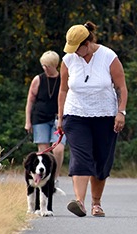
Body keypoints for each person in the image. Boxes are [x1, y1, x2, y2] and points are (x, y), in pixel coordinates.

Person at [57, 21, 128, 217]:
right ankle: (79, 202)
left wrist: (121, 112)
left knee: (101, 160)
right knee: (81, 157)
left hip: (105, 116)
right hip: (75, 115)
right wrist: (60, 117)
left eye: (77, 48)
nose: (75, 52)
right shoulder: (68, 60)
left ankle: (96, 203)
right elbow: (63, 90)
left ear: (87, 43)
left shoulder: (108, 57)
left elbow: (121, 87)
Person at [24, 50, 67, 185]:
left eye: (47, 65)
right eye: (43, 65)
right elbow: (30, 101)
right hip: (40, 118)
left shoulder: (63, 79)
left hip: (58, 118)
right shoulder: (38, 79)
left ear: (55, 65)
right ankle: (43, 178)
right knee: (43, 151)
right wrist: (28, 121)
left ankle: (55, 177)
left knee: (58, 149)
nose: (45, 68)